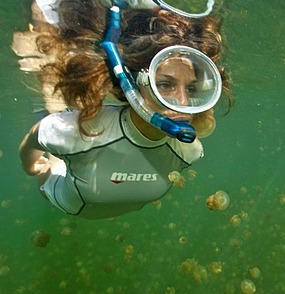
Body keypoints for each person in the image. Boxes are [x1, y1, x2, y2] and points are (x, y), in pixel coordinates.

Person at [18, 0, 232, 219]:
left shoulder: (191, 152)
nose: (182, 102)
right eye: (165, 85)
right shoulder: (75, 132)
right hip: (64, 198)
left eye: (192, 88)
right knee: (56, 114)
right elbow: (34, 138)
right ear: (133, 83)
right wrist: (31, 165)